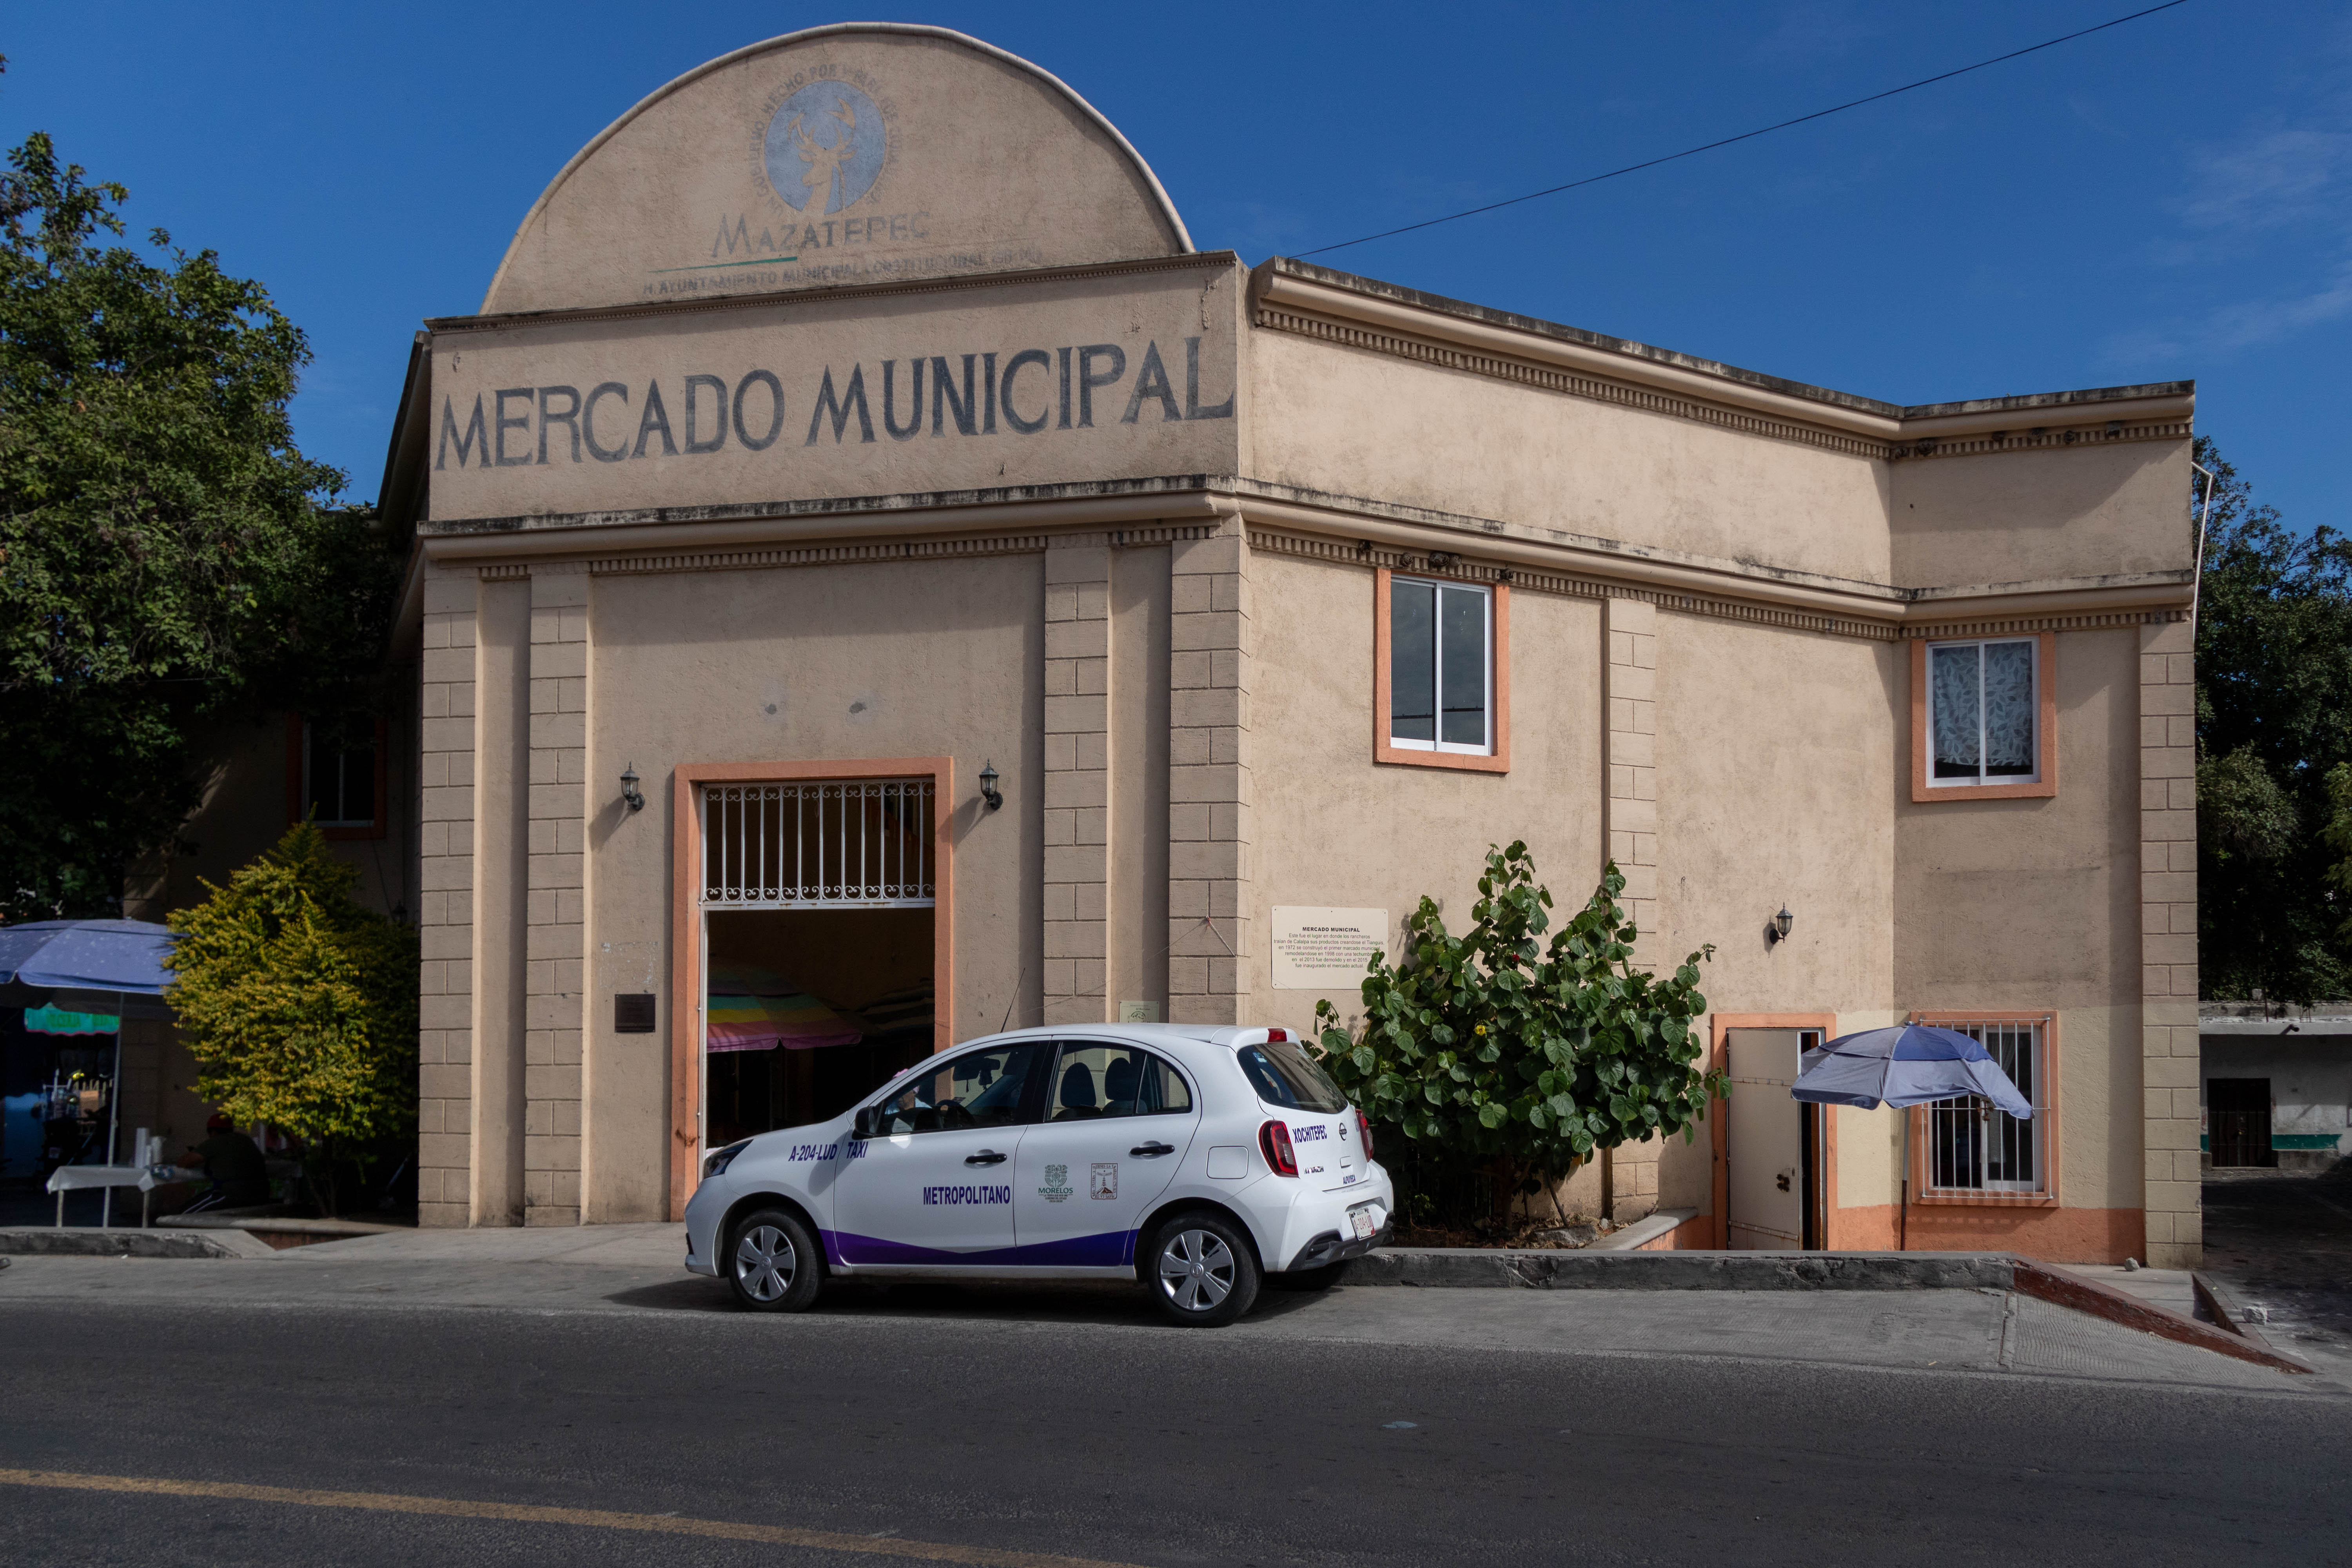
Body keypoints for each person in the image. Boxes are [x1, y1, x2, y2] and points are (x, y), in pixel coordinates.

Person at [178, 1113, 270, 1213]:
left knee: (180, 1215)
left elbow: (184, 1163)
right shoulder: (246, 1140)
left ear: (213, 1132)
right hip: (261, 1194)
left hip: (234, 1194)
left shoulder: (216, 1142)